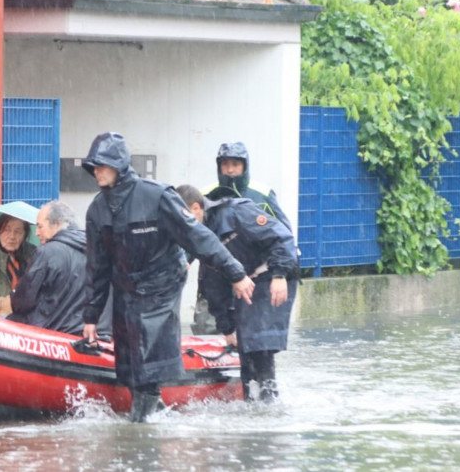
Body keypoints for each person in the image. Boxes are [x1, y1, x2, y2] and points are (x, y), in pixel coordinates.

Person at [80, 132, 255, 422]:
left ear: (119, 165)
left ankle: (141, 424)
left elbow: (198, 237)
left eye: (102, 165)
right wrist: (91, 316)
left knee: (148, 353)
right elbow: (97, 267)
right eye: (93, 167)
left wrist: (235, 273)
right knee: (131, 364)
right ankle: (154, 411)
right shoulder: (97, 210)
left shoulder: (157, 195)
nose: (97, 172)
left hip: (163, 283)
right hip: (127, 287)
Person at [176, 184, 298, 402]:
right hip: (245, 280)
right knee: (244, 345)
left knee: (258, 340)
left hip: (273, 272)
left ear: (196, 208)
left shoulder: (235, 213)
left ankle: (270, 400)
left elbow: (282, 238)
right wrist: (227, 327)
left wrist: (280, 275)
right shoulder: (199, 237)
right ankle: (252, 399)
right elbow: (212, 283)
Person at [193, 141, 294, 334]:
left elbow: (283, 232)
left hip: (254, 277)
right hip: (216, 274)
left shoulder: (262, 193)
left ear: (245, 166)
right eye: (225, 164)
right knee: (208, 327)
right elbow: (193, 232)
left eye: (236, 164)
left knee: (254, 335)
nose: (230, 170)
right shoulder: (205, 195)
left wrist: (280, 273)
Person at [8, 201, 107, 336]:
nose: (36, 233)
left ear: (57, 224)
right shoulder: (99, 252)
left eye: (40, 226)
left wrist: (14, 294)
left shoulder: (46, 253)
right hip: (86, 334)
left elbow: (23, 301)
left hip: (48, 334)